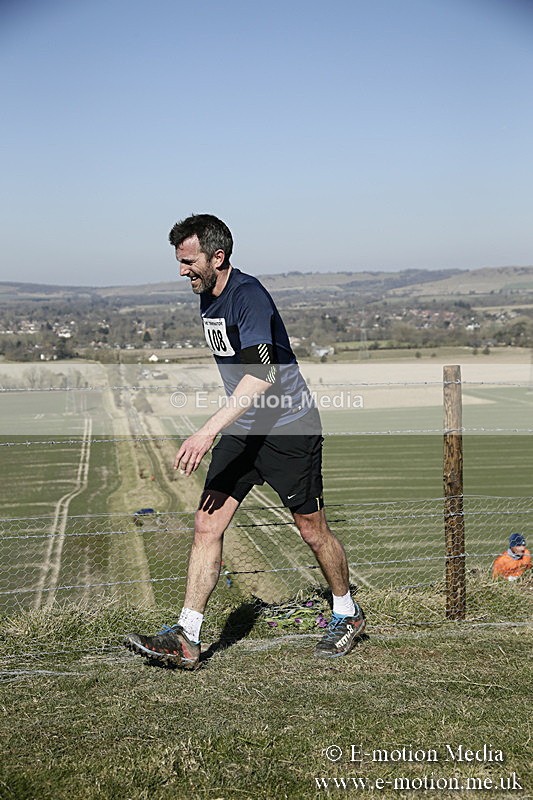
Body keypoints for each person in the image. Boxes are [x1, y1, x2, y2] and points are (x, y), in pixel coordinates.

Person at [124, 214, 365, 669]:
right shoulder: (208, 294)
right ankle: (188, 636)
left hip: (288, 429)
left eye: (189, 261)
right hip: (245, 429)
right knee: (207, 525)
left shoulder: (248, 297)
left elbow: (261, 375)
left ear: (218, 257)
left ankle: (346, 612)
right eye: (179, 261)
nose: (182, 271)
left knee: (312, 530)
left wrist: (206, 428)